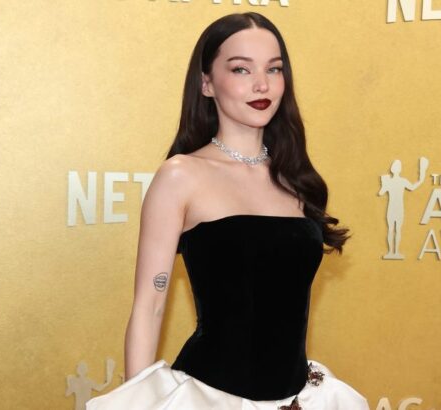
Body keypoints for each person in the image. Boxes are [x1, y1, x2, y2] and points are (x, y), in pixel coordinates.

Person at [86, 12, 369, 410]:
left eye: (274, 69)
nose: (261, 84)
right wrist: (138, 400)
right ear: (206, 83)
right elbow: (150, 306)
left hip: (298, 399)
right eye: (241, 69)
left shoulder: (296, 178)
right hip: (210, 397)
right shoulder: (181, 175)